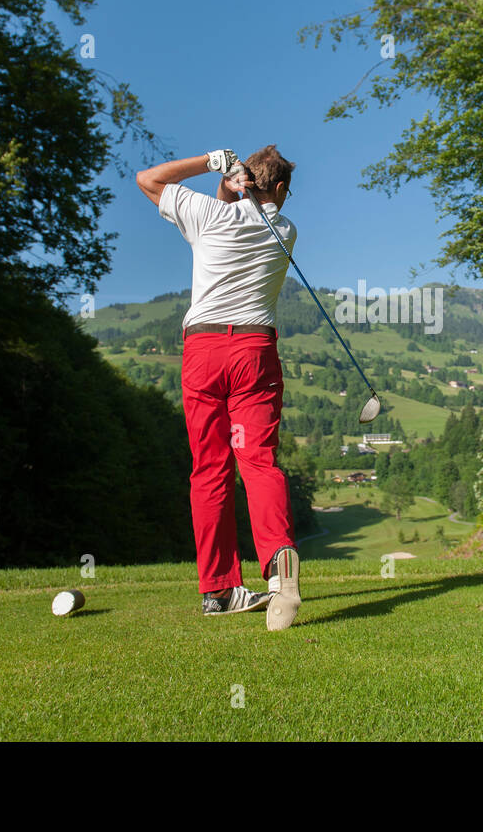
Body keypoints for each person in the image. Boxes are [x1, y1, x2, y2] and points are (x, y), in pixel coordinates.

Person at [136, 145, 301, 631]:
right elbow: (247, 214)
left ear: (240, 179)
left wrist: (211, 164)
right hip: (253, 352)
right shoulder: (285, 229)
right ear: (282, 190)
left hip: (204, 352)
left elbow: (148, 179)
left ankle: (219, 590)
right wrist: (232, 187)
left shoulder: (207, 214)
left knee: (209, 470)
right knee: (258, 461)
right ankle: (279, 566)